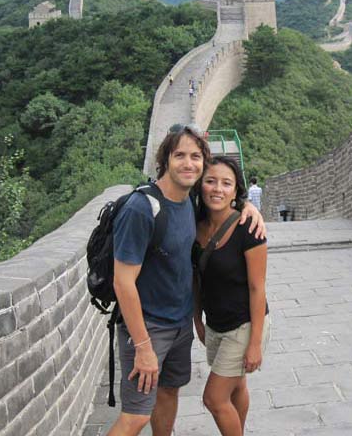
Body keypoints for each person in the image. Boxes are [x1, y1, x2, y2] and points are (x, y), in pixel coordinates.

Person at [107, 125, 265, 436]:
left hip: (179, 326)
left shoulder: (190, 202)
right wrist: (143, 347)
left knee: (168, 394)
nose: (188, 163)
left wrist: (248, 207)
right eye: (179, 155)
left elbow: (223, 202)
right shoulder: (142, 208)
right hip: (148, 328)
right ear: (164, 158)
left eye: (195, 156)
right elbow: (122, 283)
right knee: (136, 416)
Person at [193, 157, 269, 436]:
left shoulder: (249, 229)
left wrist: (255, 344)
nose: (217, 189)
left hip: (244, 325)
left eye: (227, 184)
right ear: (200, 185)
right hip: (215, 323)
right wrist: (197, 320)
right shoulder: (195, 225)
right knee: (236, 385)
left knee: (213, 398)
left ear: (236, 191)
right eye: (210, 181)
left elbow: (257, 288)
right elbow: (196, 279)